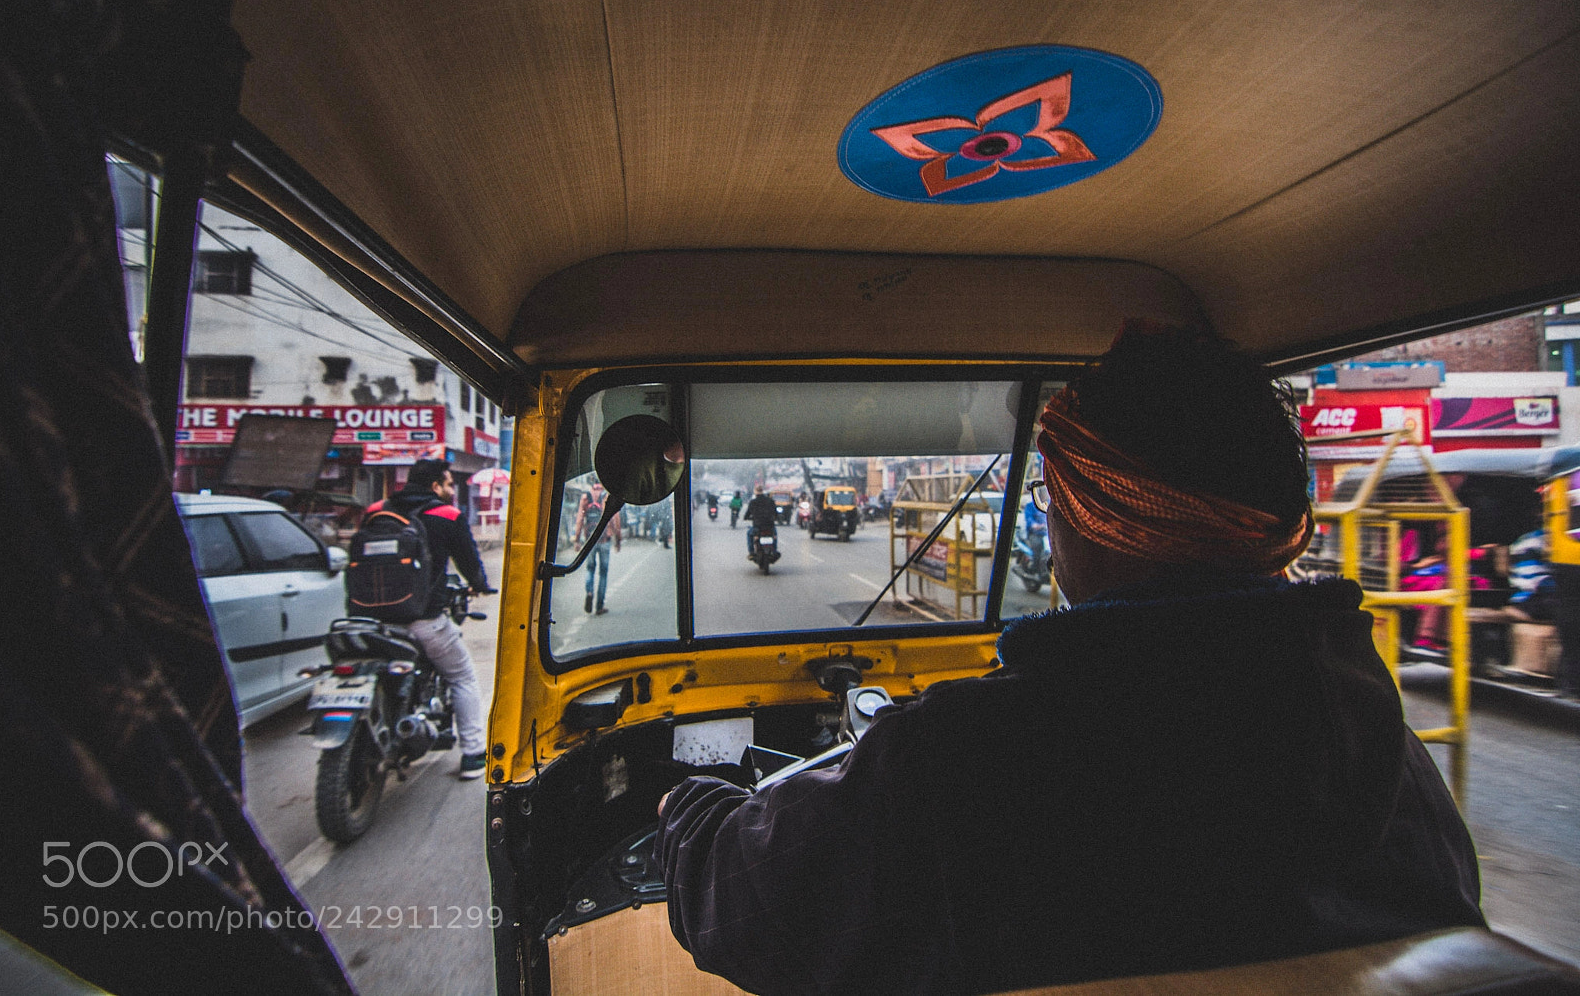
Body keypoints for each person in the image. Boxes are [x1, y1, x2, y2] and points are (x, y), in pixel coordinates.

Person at [654, 322, 1484, 995]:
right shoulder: (1387, 753)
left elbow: (747, 907)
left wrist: (685, 810)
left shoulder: (968, 760)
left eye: (1052, 500)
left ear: (1094, 520)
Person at [372, 459, 492, 780]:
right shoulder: (447, 515)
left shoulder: (377, 511)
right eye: (450, 484)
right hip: (423, 620)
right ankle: (472, 755)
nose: (453, 490)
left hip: (373, 622)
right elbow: (470, 565)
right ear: (436, 487)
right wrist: (481, 585)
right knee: (462, 675)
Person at [575, 484, 622, 614]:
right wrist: (618, 539)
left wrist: (577, 540)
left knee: (590, 569)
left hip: (590, 541)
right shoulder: (606, 497)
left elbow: (580, 519)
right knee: (603, 573)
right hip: (604, 540)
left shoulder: (586, 497)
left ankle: (589, 592)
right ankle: (599, 606)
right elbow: (615, 519)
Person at [744, 484, 779, 559]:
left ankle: (751, 552)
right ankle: (775, 551)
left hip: (757, 526)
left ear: (755, 492)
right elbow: (775, 513)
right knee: (774, 535)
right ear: (762, 491)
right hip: (770, 526)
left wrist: (746, 518)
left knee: (749, 534)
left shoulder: (753, 502)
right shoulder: (770, 501)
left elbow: (747, 514)